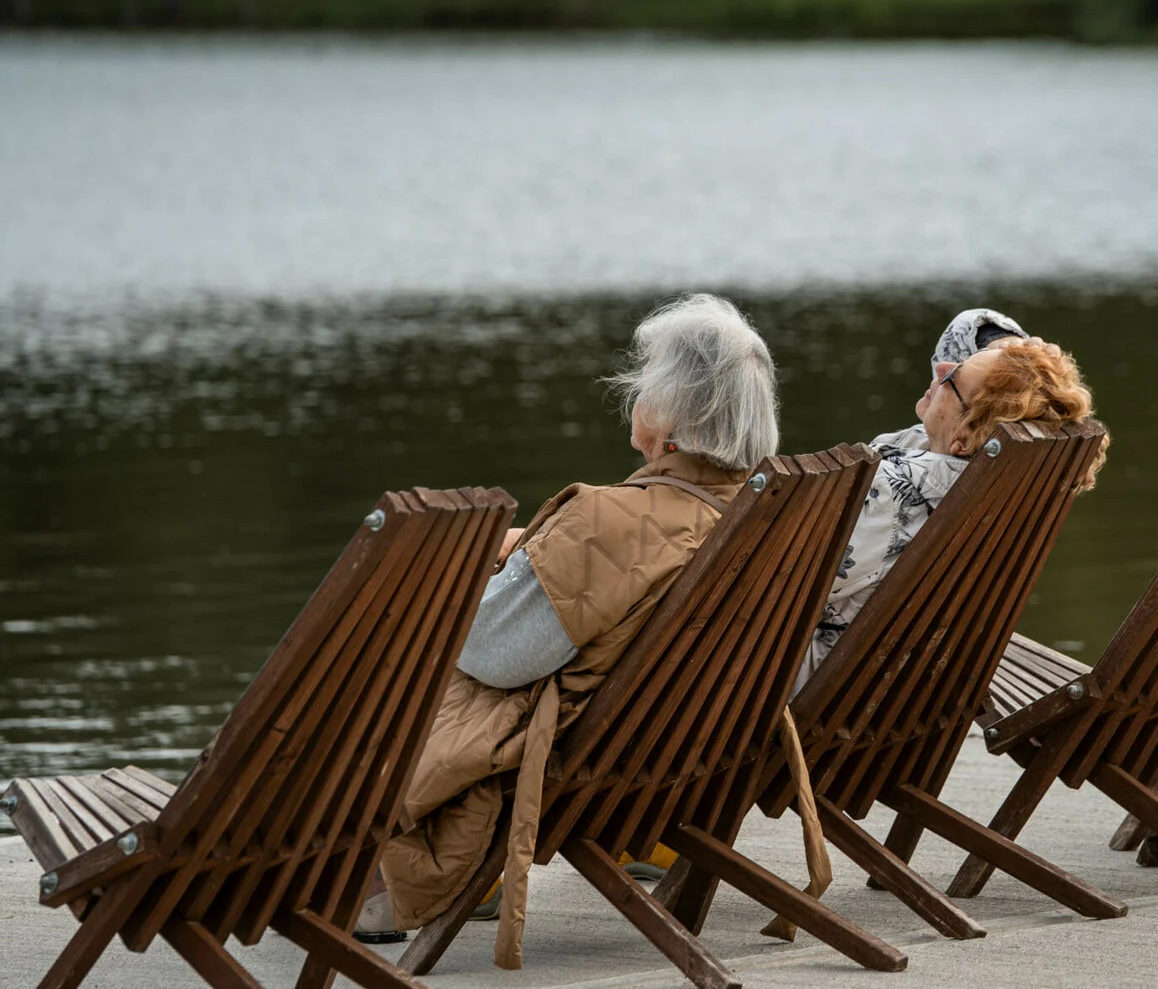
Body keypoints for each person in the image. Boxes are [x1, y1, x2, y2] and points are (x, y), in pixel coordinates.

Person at [363, 294, 779, 970]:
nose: (634, 396)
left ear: (668, 413)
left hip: (587, 762)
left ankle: (381, 877)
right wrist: (535, 558)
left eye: (642, 381)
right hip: (687, 759)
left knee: (399, 654)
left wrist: (474, 575)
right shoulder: (766, 516)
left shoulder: (606, 521)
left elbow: (488, 653)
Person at [793, 309, 1104, 695]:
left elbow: (783, 584)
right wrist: (1016, 357)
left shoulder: (888, 496)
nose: (941, 367)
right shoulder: (1004, 481)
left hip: (818, 686)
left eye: (953, 377)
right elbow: (965, 328)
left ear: (964, 437)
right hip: (914, 686)